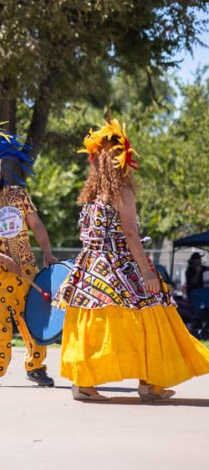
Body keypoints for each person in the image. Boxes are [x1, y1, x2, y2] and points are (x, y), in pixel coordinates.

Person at [54, 119, 209, 401]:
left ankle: (84, 383)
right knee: (151, 317)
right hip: (119, 265)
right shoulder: (121, 192)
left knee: (96, 324)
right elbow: (129, 234)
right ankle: (149, 383)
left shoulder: (91, 195)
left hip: (91, 268)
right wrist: (148, 273)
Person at [0, 125, 57, 389]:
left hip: (27, 269)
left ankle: (36, 367)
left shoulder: (18, 195)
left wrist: (47, 252)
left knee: (33, 320)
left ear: (1, 171)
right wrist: (4, 260)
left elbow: (36, 224)